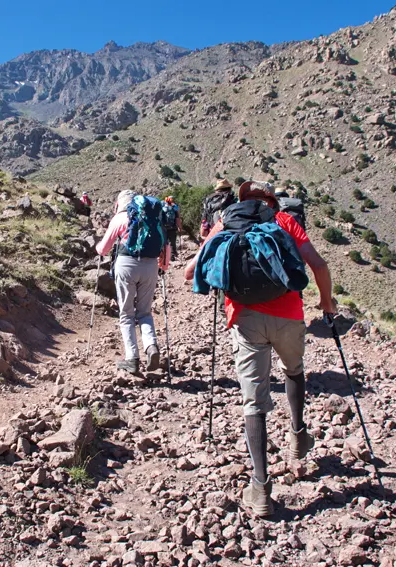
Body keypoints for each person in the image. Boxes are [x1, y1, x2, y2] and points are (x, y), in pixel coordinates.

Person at [184, 181, 337, 518]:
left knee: (254, 402)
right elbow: (320, 265)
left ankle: (261, 488)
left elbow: (189, 271)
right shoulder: (284, 221)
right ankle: (298, 437)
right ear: (271, 200)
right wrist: (327, 305)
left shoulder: (226, 222)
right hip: (289, 315)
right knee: (294, 371)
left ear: (241, 202)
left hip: (244, 319)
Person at [96, 190, 171, 374]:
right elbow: (166, 246)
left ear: (119, 204)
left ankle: (132, 358)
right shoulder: (153, 217)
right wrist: (163, 266)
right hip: (151, 266)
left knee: (127, 314)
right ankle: (151, 346)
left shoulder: (120, 218)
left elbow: (103, 249)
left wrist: (98, 248)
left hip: (126, 265)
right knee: (145, 312)